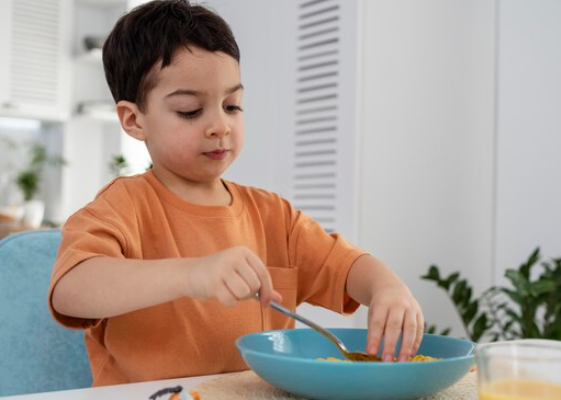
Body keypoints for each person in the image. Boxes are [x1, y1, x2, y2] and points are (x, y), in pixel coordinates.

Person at [49, 0, 424, 386]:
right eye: (191, 111)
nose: (219, 125)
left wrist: (386, 288)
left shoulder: (273, 216)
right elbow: (70, 291)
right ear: (133, 119)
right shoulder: (121, 206)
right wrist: (192, 274)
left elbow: (344, 266)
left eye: (232, 105)